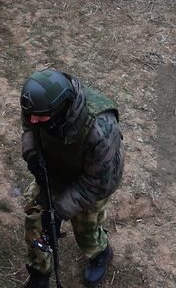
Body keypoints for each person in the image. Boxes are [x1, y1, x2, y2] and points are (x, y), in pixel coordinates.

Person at [20, 69, 124, 287]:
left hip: (89, 183)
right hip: (53, 172)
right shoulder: (37, 106)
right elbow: (29, 127)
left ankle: (100, 253)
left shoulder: (101, 129)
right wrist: (32, 155)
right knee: (35, 222)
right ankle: (39, 273)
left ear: (61, 108)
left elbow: (99, 182)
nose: (34, 119)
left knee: (85, 232)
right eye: (31, 114)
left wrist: (60, 212)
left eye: (41, 117)